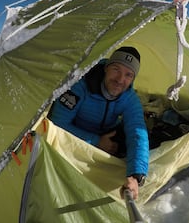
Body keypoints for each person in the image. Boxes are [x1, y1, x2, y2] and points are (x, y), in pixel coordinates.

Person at [50, 46, 149, 200]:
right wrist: (97, 142)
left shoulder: (129, 98)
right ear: (106, 68)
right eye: (116, 69)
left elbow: (138, 132)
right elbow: (56, 123)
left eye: (128, 75)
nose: (120, 80)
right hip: (77, 133)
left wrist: (135, 176)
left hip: (110, 134)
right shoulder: (79, 86)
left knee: (138, 143)